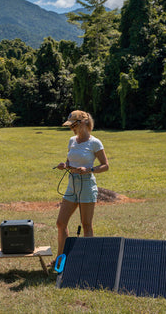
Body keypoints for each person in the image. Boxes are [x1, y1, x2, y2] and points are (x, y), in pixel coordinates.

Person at [53, 110, 109, 260]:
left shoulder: (95, 143)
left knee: (86, 225)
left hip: (87, 185)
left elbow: (105, 166)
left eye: (74, 125)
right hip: (72, 185)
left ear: (83, 123)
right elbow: (70, 162)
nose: (72, 128)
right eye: (71, 125)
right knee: (60, 223)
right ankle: (61, 258)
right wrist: (64, 165)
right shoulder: (72, 140)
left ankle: (88, 261)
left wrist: (89, 169)